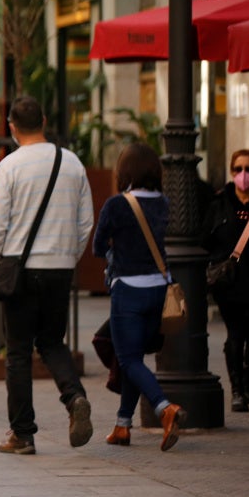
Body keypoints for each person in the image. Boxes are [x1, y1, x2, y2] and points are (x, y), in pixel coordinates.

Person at [0, 95, 94, 455]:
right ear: (44, 120)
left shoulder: (10, 166)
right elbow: (85, 222)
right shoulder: (72, 163)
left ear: (12, 127)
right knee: (51, 342)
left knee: (17, 352)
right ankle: (74, 396)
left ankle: (23, 434)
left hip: (21, 268)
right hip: (60, 267)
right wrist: (68, 255)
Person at [93, 143, 186, 451]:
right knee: (134, 359)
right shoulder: (163, 202)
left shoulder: (117, 204)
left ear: (125, 172)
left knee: (129, 359)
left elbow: (97, 247)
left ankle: (164, 409)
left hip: (128, 292)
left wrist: (113, 251)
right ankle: (122, 426)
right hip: (159, 290)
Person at [202, 148, 249, 413]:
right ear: (232, 173)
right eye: (238, 169)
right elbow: (205, 242)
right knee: (236, 335)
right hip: (230, 286)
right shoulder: (219, 204)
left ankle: (247, 383)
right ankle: (237, 391)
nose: (244, 175)